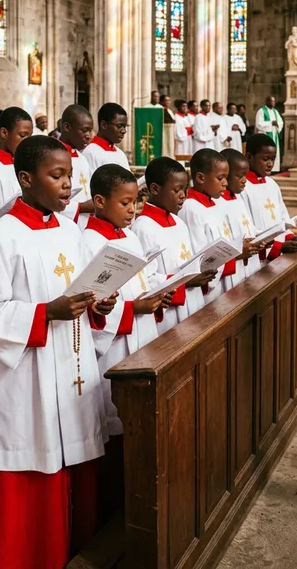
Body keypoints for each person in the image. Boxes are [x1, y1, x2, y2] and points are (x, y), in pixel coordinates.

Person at [0, 135, 116, 569]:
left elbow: (82, 289)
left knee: (71, 454)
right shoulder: (2, 237)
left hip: (68, 362)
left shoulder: (70, 230)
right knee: (34, 463)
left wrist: (97, 305)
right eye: (57, 176)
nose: (68, 185)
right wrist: (44, 313)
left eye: (70, 175)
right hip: (24, 376)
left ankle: (74, 548)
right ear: (25, 179)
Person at [83, 164, 170, 440]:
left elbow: (142, 281)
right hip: (115, 345)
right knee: (117, 417)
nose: (133, 209)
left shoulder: (130, 236)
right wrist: (133, 309)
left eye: (135, 202)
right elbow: (91, 303)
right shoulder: (86, 241)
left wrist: (161, 291)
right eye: (125, 203)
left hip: (142, 332)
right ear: (99, 201)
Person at [132, 157, 215, 333]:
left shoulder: (179, 222)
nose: (183, 195)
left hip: (192, 303)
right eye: (177, 190)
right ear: (155, 189)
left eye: (185, 189)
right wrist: (185, 280)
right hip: (168, 315)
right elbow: (145, 279)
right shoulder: (143, 228)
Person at [178, 148, 236, 303]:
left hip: (222, 280)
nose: (225, 183)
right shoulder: (190, 208)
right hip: (207, 289)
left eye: (226, 177)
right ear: (200, 178)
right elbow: (200, 257)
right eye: (220, 178)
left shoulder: (215, 202)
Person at [243, 134, 297, 259]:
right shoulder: (243, 188)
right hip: (258, 256)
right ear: (249, 157)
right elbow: (248, 230)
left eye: (273, 159)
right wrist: (278, 246)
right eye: (265, 159)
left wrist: (291, 238)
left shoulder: (272, 184)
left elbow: (283, 218)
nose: (270, 164)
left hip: (280, 250)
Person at [219, 149, 264, 287]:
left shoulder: (238, 198)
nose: (245, 180)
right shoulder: (217, 203)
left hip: (248, 266)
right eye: (240, 176)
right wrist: (239, 251)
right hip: (231, 273)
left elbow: (249, 228)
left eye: (245, 175)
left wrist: (263, 239)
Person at [58, 104, 96, 228]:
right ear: (67, 127)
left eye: (90, 130)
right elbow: (47, 197)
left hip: (84, 225)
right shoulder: (52, 157)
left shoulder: (82, 158)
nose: (89, 135)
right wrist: (81, 207)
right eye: (84, 130)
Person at [84, 102, 130, 172]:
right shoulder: (90, 152)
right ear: (104, 125)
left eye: (125, 126)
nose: (124, 131)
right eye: (119, 126)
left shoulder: (120, 153)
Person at [255, 96, 284, 173]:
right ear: (267, 101)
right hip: (265, 135)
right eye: (272, 101)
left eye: (274, 101)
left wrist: (278, 124)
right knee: (265, 153)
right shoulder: (261, 111)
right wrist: (270, 123)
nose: (273, 103)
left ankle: (274, 169)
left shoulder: (275, 111)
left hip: (274, 135)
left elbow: (281, 122)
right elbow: (258, 124)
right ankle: (263, 168)